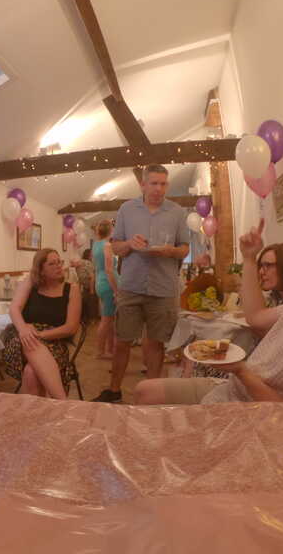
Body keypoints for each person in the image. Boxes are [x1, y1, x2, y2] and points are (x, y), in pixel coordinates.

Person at [134, 209, 283, 405]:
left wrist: (240, 370)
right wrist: (250, 258)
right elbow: (256, 318)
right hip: (233, 388)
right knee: (143, 390)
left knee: (150, 403)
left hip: (247, 406)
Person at [92, 164, 190, 402]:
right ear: (143, 184)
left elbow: (185, 248)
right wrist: (129, 244)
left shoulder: (177, 212)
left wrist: (170, 251)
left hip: (163, 288)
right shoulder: (126, 209)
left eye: (163, 184)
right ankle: (114, 390)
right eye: (154, 183)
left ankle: (152, 395)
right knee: (122, 341)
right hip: (131, 286)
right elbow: (116, 247)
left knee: (156, 344)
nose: (159, 189)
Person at [1, 248, 82, 399]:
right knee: (31, 343)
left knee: (31, 372)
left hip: (55, 341)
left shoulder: (72, 289)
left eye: (59, 262)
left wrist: (40, 335)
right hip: (22, 338)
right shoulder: (31, 283)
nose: (58, 266)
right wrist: (23, 329)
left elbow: (71, 328)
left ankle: (42, 411)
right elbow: (14, 308)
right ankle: (62, 402)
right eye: (52, 264)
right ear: (41, 270)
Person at [92, 219, 119, 360]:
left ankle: (109, 349)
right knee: (106, 320)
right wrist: (116, 291)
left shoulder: (96, 245)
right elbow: (109, 269)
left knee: (109, 319)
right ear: (110, 231)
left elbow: (97, 268)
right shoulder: (107, 245)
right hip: (108, 285)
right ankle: (100, 352)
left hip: (101, 282)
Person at [72, 248, 98, 323]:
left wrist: (92, 290)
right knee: (85, 301)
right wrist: (79, 290)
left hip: (93, 285)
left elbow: (92, 277)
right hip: (86, 286)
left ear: (78, 261)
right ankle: (86, 319)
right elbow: (79, 279)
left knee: (92, 302)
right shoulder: (76, 267)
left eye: (73, 263)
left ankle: (93, 319)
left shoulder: (87, 263)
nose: (72, 265)